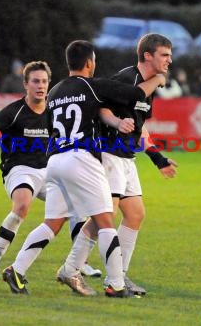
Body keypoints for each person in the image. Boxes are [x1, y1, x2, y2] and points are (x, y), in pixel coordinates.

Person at [1, 40, 165, 297]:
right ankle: (115, 284)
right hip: (81, 158)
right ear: (90, 63)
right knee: (106, 221)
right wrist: (157, 81)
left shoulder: (53, 92)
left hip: (54, 161)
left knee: (52, 223)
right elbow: (134, 95)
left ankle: (17, 270)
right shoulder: (91, 86)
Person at [57, 33, 178, 296]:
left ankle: (118, 275)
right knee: (104, 217)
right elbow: (100, 108)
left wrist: (157, 158)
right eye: (165, 55)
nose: (170, 60)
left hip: (126, 158)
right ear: (148, 55)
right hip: (109, 154)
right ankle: (76, 270)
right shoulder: (126, 79)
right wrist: (116, 123)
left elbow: (140, 127)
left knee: (135, 214)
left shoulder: (150, 87)